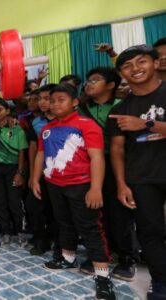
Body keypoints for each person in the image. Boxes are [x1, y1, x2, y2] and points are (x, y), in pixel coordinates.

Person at [31, 84, 115, 300]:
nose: (55, 104)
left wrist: (96, 188)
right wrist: (34, 178)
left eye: (61, 99)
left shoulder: (87, 125)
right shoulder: (46, 129)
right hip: (54, 185)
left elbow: (97, 157)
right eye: (52, 100)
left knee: (90, 228)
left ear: (74, 102)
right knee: (63, 222)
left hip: (81, 185)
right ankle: (68, 259)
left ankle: (103, 276)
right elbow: (40, 155)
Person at [106, 45, 166, 299]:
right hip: (141, 178)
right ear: (121, 73)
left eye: (141, 62)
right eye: (127, 66)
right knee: (150, 232)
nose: (135, 69)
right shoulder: (120, 108)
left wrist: (146, 124)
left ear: (155, 63)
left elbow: (145, 126)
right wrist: (121, 184)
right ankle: (161, 282)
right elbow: (117, 150)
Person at [79, 66, 138, 281]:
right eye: (87, 80)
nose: (89, 83)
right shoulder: (81, 109)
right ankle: (100, 253)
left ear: (111, 85)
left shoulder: (123, 107)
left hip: (118, 166)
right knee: (94, 212)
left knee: (120, 213)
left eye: (95, 80)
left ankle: (127, 258)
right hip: (90, 166)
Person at [0, 98, 28, 247]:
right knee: (0, 202)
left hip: (12, 169)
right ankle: (6, 232)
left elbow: (22, 152)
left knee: (15, 202)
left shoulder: (17, 129)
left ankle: (21, 232)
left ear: (7, 111)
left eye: (0, 110)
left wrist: (20, 173)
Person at [24, 83, 59, 257]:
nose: (43, 103)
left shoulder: (67, 120)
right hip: (41, 172)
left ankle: (59, 242)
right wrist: (32, 175)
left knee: (57, 210)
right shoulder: (36, 122)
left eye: (48, 99)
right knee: (34, 207)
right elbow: (33, 148)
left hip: (61, 173)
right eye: (40, 99)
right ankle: (40, 239)